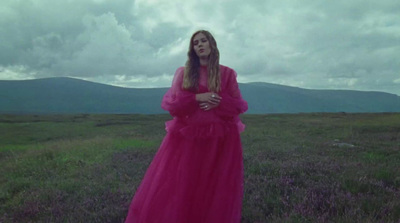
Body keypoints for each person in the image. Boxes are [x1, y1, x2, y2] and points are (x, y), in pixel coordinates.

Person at [125, 30, 248, 223]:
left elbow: (239, 105)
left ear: (212, 44)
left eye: (203, 41)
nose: (199, 45)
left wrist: (219, 102)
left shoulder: (227, 73)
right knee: (184, 185)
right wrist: (197, 97)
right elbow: (173, 105)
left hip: (221, 141)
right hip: (187, 140)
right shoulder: (185, 73)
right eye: (195, 43)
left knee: (214, 186)